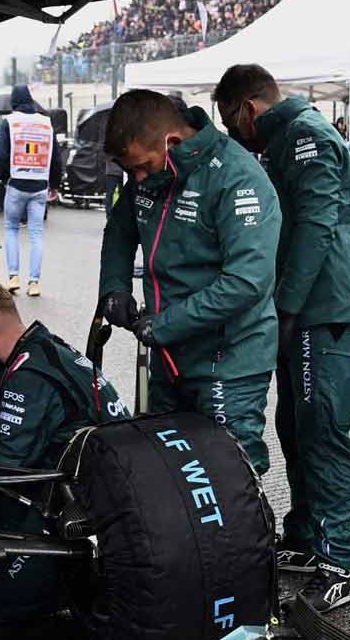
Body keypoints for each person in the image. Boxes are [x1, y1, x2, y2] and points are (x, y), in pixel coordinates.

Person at [217, 64, 350, 611]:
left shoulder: (305, 135)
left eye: (231, 123)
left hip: (325, 309)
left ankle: (338, 561)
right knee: (295, 424)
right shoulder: (290, 135)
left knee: (322, 428)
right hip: (311, 307)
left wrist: (285, 306)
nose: (235, 136)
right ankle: (308, 536)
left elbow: (315, 224)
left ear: (248, 108)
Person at [96, 89, 282, 473]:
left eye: (142, 167)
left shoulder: (238, 177)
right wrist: (114, 286)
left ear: (173, 142)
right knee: (168, 467)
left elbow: (247, 282)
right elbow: (119, 230)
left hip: (230, 360)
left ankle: (247, 536)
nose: (138, 179)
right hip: (167, 356)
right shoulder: (150, 173)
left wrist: (164, 324)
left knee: (230, 471)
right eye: (130, 171)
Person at [0, 281, 126, 621]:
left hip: (87, 501)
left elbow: (1, 468)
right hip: (103, 474)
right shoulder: (46, 346)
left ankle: (77, 583)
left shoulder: (29, 377)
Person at [0, 84, 55, 297]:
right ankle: (34, 282)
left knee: (11, 229)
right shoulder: (47, 123)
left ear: (14, 102)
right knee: (36, 233)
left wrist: (3, 179)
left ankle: (13, 277)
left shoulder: (9, 122)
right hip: (40, 185)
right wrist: (54, 184)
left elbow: (0, 155)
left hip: (16, 183)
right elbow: (55, 157)